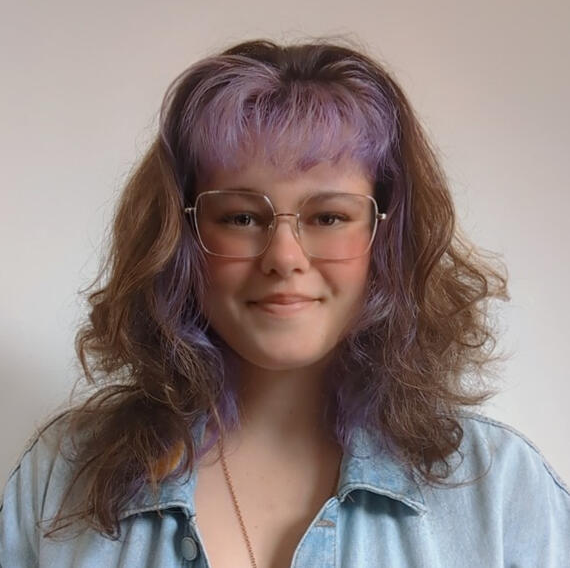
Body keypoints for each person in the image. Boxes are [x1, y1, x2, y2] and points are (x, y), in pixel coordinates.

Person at [0, 37, 568, 568]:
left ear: (387, 238)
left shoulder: (500, 494)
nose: (284, 257)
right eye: (242, 217)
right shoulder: (60, 477)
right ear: (181, 238)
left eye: (329, 217)